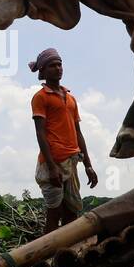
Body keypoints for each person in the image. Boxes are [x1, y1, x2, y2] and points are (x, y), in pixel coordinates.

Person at [29, 47, 97, 234]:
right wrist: (51, 167)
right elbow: (40, 133)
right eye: (52, 65)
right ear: (43, 71)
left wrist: (88, 165)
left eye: (60, 64)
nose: (58, 68)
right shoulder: (40, 97)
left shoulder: (71, 98)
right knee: (54, 212)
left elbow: (78, 132)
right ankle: (46, 258)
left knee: (72, 211)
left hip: (72, 161)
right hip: (52, 162)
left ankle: (66, 254)